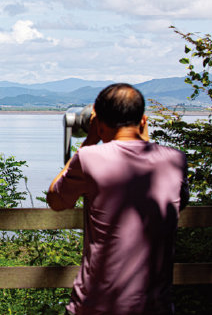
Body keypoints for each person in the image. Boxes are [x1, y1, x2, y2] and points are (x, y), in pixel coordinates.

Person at [47, 83, 189, 315]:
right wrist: (145, 139)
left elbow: (56, 200)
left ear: (99, 123)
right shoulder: (175, 161)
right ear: (143, 121)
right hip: (155, 306)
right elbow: (175, 206)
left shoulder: (89, 158)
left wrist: (90, 140)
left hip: (96, 305)